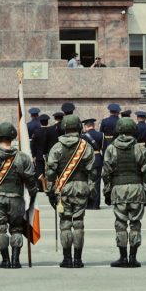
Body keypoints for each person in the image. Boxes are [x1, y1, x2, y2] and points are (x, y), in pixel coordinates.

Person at [0, 122, 36, 269]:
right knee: (16, 228)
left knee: (0, 228)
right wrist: (32, 195)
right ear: (12, 137)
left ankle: (5, 260)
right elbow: (30, 179)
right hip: (16, 198)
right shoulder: (23, 158)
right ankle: (16, 260)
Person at [46, 115, 96, 268]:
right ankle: (78, 259)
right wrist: (91, 189)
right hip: (81, 188)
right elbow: (92, 171)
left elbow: (50, 172)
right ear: (79, 128)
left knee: (65, 223)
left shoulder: (56, 147)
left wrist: (50, 191)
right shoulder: (86, 146)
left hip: (63, 189)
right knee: (79, 223)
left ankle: (67, 258)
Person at [101, 118, 146, 268]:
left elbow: (105, 173)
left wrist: (107, 192)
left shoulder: (111, 148)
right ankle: (133, 258)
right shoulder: (140, 148)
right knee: (135, 223)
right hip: (136, 188)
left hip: (119, 189)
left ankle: (123, 258)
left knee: (120, 224)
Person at [81, 118, 104, 210]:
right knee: (97, 183)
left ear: (86, 126)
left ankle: (88, 204)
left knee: (87, 182)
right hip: (98, 159)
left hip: (86, 160)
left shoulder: (82, 136)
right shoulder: (101, 135)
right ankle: (96, 204)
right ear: (93, 125)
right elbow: (104, 149)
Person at [30, 114, 50, 182]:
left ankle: (41, 187)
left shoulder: (36, 132)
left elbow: (33, 145)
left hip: (39, 155)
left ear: (40, 122)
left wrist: (33, 155)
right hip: (49, 155)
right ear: (47, 122)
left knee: (40, 171)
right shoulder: (51, 131)